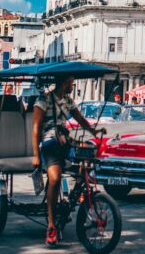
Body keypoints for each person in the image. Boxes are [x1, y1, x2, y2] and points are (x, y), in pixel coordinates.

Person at [31, 76, 103, 247]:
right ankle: (51, 225)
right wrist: (35, 154)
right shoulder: (43, 99)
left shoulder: (68, 101)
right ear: (63, 83)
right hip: (49, 142)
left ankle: (80, 192)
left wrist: (95, 133)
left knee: (88, 154)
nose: (72, 85)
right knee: (54, 179)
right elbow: (36, 127)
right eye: (71, 82)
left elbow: (80, 120)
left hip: (64, 140)